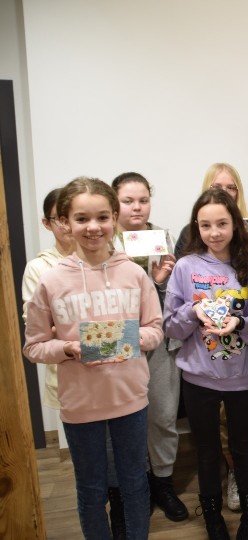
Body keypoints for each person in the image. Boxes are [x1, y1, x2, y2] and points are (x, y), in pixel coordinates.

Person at [24, 177, 163, 540]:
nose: (93, 227)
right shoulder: (51, 281)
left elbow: (155, 329)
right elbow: (34, 346)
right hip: (80, 404)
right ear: (64, 222)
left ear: (114, 218)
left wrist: (131, 338)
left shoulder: (134, 273)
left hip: (129, 399)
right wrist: (66, 349)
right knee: (90, 490)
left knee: (134, 483)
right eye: (81, 218)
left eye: (102, 217)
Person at [163, 188, 248, 539]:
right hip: (199, 378)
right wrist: (193, 311)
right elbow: (170, 326)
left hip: (243, 376)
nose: (214, 232)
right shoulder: (186, 267)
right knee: (206, 453)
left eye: (222, 223)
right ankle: (213, 519)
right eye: (205, 225)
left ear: (235, 224)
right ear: (196, 227)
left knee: (243, 449)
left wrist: (241, 324)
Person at [110, 172, 188, 523]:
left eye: (143, 200)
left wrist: (161, 281)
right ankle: (136, 485)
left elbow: (173, 297)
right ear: (115, 204)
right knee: (127, 420)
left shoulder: (162, 240)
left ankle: (163, 483)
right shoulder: (104, 243)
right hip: (120, 341)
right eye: (128, 201)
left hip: (162, 341)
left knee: (163, 415)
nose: (137, 207)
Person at [21, 187, 74, 410]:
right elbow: (37, 328)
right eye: (60, 219)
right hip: (67, 371)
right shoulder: (39, 267)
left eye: (74, 216)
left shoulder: (104, 260)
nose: (68, 225)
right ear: (46, 223)